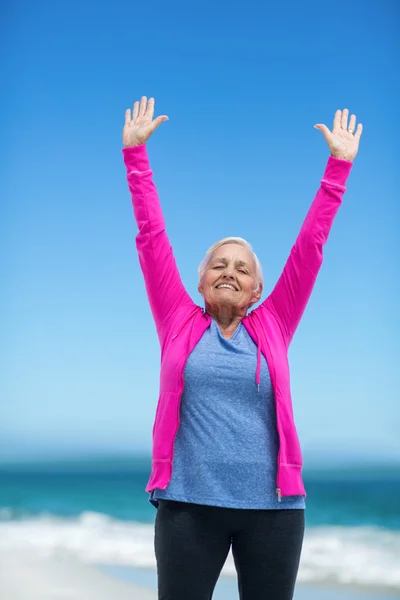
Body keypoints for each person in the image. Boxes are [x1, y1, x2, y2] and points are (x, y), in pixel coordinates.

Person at [121, 97, 363, 600]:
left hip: (273, 513)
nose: (230, 271)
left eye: (243, 267)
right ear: (200, 281)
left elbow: (309, 250)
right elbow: (151, 236)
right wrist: (136, 158)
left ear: (257, 290)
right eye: (218, 264)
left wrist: (337, 168)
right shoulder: (177, 321)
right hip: (188, 507)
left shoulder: (273, 324)